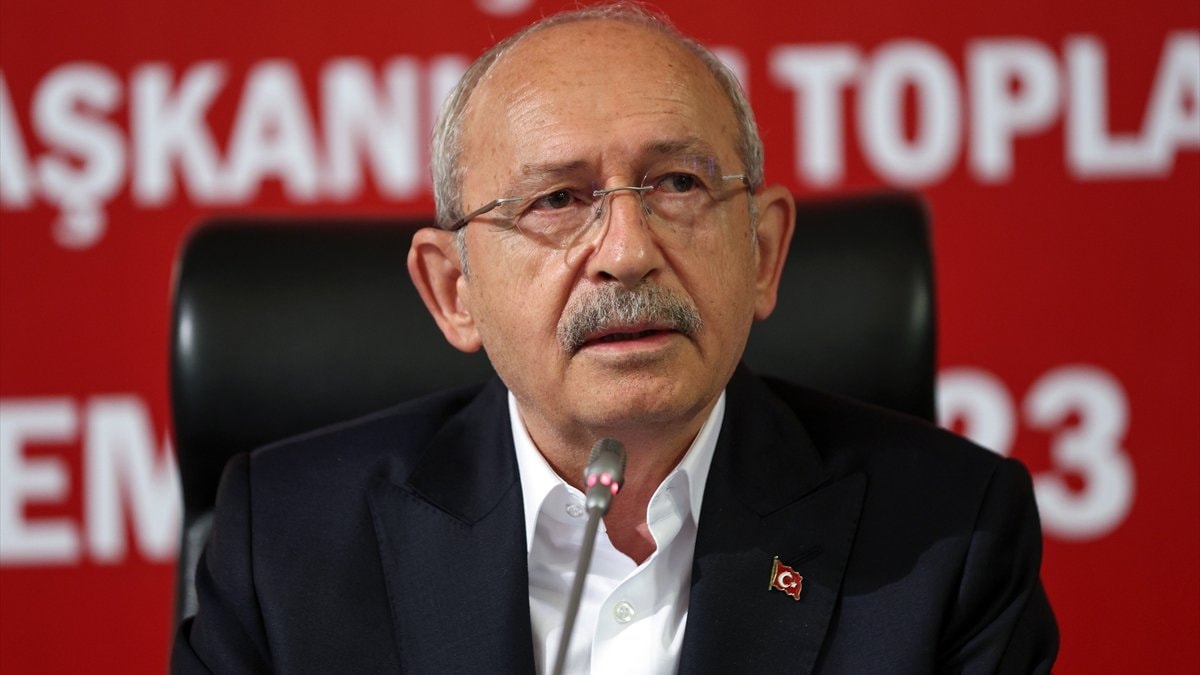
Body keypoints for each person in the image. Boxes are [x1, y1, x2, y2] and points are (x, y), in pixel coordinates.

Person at [172, 3, 1058, 673]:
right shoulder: (284, 549)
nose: (628, 253)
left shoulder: (951, 539)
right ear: (454, 291)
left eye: (677, 184)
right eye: (558, 200)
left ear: (762, 253)